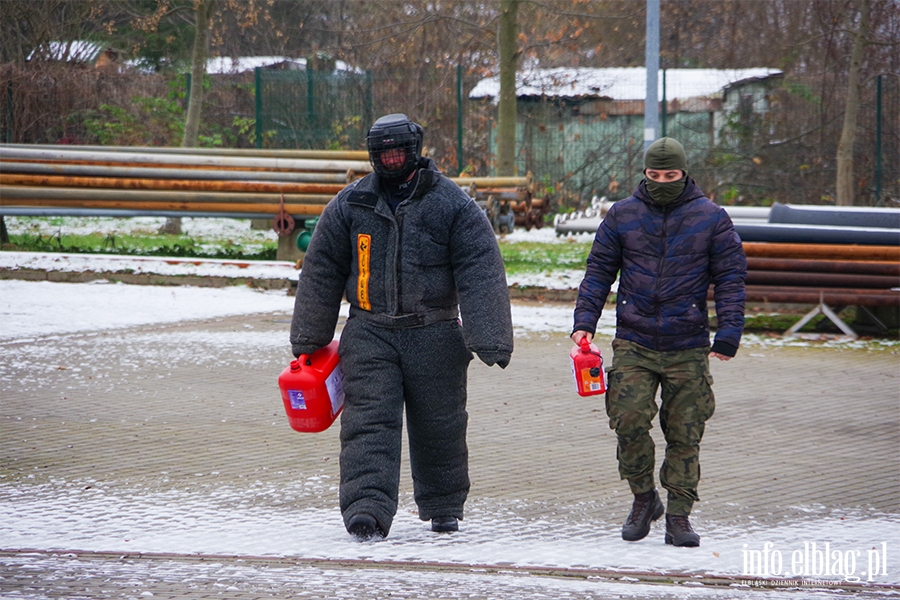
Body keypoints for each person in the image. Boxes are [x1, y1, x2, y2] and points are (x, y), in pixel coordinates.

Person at [290, 113, 513, 540]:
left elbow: (481, 267)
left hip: (435, 332)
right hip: (369, 332)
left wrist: (491, 336)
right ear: (373, 156)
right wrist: (308, 337)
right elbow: (321, 268)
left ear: (415, 150)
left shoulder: (453, 204)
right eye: (383, 153)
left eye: (398, 151)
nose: (391, 159)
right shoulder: (350, 203)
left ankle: (444, 506)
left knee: (441, 425)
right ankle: (366, 509)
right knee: (368, 423)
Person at [571, 137, 746, 547]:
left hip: (687, 343)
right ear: (644, 174)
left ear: (684, 173)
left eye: (670, 175)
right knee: (628, 419)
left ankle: (680, 516)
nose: (662, 181)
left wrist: (729, 332)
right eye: (654, 175)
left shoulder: (711, 218)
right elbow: (598, 271)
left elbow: (731, 279)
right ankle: (643, 499)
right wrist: (584, 322)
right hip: (634, 340)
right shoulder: (622, 216)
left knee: (686, 432)